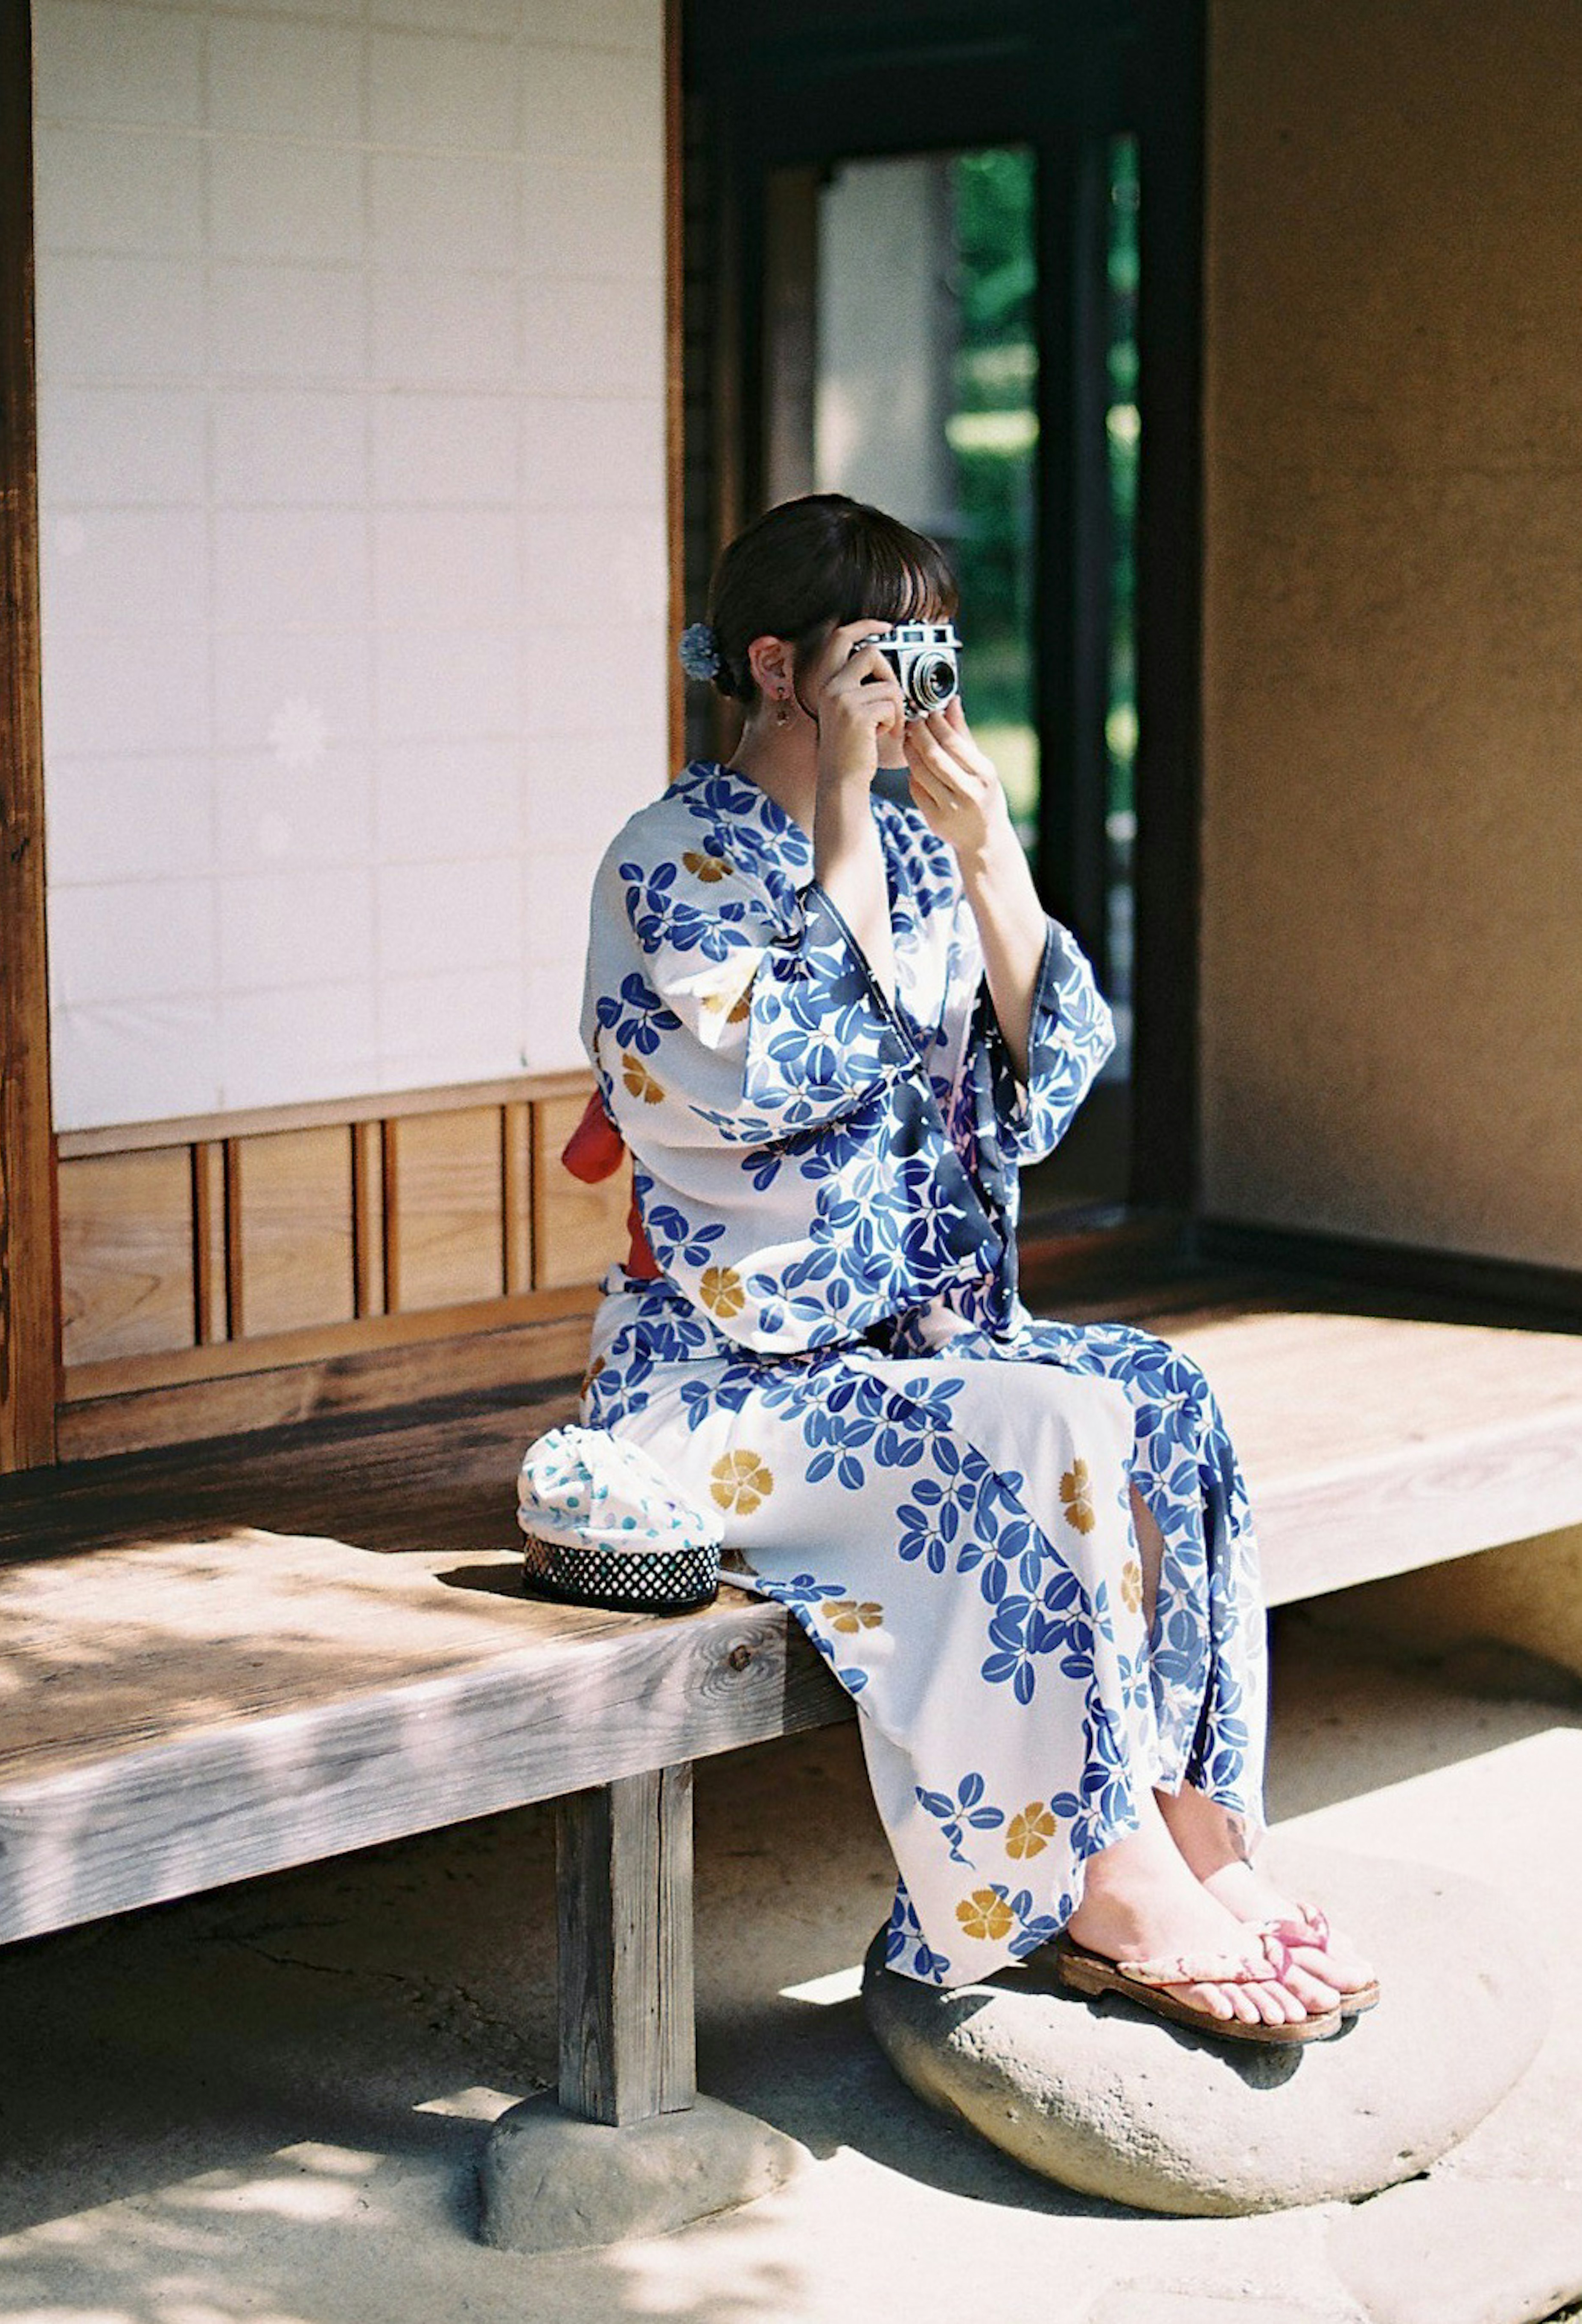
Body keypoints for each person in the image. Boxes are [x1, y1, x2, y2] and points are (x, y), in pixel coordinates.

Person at [573, 490, 1377, 2042]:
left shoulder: (924, 851)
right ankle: (1096, 1885)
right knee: (1042, 1427)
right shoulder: (667, 858)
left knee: (1161, 1393)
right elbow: (764, 1077)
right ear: (778, 667)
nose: (911, 687)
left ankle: (1201, 1834)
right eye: (879, 655)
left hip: (917, 1348)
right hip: (724, 1387)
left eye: (928, 652)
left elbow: (1052, 1080)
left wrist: (992, 848)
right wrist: (849, 834)